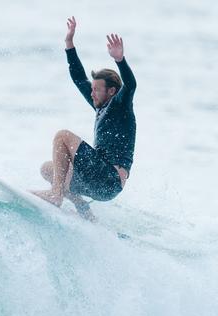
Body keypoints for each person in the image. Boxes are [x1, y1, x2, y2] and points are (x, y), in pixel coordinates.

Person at [31, 16, 137, 221]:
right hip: (98, 182)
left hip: (109, 178)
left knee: (62, 136)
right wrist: (69, 44)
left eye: (97, 89)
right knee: (49, 170)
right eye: (93, 89)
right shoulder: (100, 107)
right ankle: (82, 207)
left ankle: (56, 195)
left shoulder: (120, 106)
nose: (92, 93)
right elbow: (79, 78)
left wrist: (120, 61)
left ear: (112, 91)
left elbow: (131, 85)